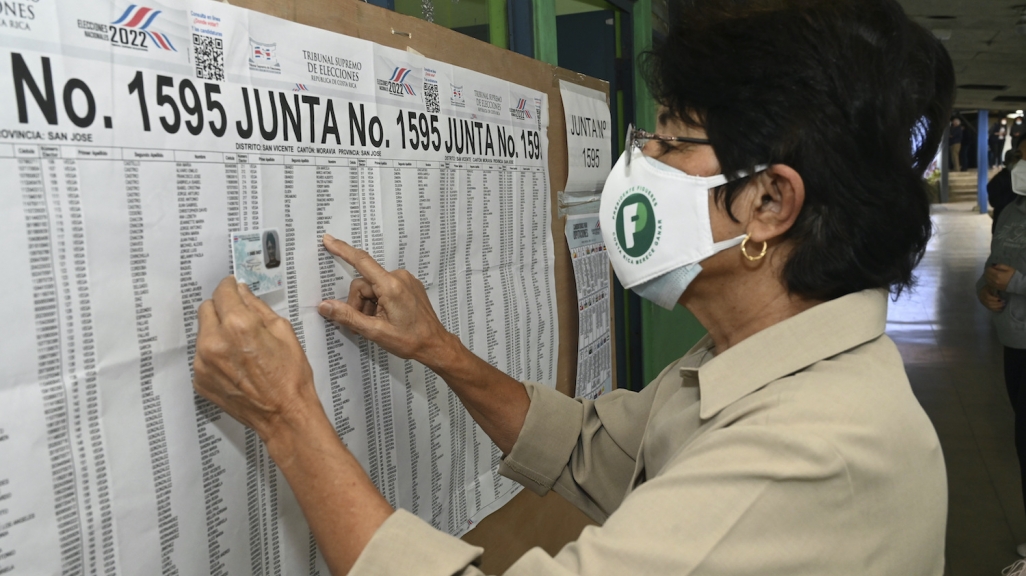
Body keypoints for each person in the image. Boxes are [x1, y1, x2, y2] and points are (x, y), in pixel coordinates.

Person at [193, 0, 954, 573]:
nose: (640, 162)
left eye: (668, 139)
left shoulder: (810, 451)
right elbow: (595, 449)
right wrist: (439, 350)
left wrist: (287, 416)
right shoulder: (747, 359)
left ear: (769, 203)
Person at [978, 135, 1026, 562]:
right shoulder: (1012, 210)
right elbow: (994, 262)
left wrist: (1016, 283)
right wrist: (985, 288)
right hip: (1014, 343)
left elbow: (1013, 275)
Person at [990, 145, 1025, 232]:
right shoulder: (998, 180)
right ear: (1007, 162)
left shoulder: (1022, 179)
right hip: (1004, 224)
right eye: (1015, 159)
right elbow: (995, 202)